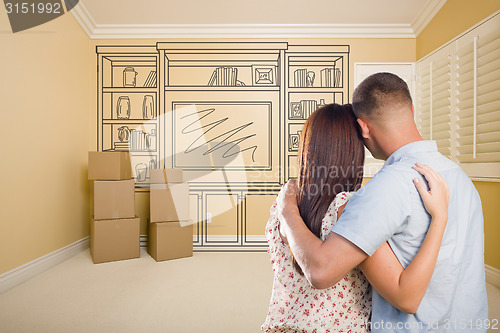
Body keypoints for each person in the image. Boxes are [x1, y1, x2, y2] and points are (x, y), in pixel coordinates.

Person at [277, 73, 488, 332]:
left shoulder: (384, 188)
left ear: (363, 128)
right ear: (411, 109)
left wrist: (287, 210)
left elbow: (320, 272)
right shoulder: (460, 177)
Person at [262, 103, 449, 332]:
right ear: (354, 152)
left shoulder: (284, 202)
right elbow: (406, 297)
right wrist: (440, 217)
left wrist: (287, 211)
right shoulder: (349, 209)